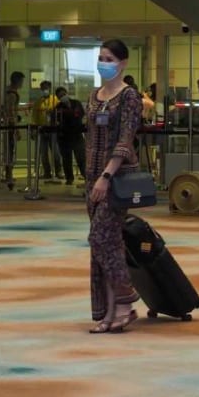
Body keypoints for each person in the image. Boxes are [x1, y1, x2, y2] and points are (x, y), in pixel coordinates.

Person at [84, 39, 142, 333]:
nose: (103, 62)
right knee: (106, 245)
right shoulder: (95, 96)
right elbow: (91, 137)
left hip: (115, 179)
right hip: (92, 178)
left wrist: (106, 176)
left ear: (122, 63)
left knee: (100, 237)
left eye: (108, 58)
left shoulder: (130, 97)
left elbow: (125, 140)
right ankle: (110, 312)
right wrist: (92, 176)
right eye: (100, 57)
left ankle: (125, 300)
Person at [55, 87, 86, 185]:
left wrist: (68, 113)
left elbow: (79, 114)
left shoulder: (76, 103)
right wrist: (70, 113)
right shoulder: (58, 107)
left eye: (64, 94)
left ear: (67, 93)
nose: (63, 97)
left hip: (77, 134)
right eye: (60, 96)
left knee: (81, 158)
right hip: (64, 136)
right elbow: (57, 118)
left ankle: (86, 176)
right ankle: (69, 178)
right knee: (66, 158)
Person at [32, 80, 63, 180]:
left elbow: (60, 114)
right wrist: (34, 130)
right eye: (43, 88)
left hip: (52, 129)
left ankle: (58, 171)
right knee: (43, 153)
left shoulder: (55, 100)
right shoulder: (37, 102)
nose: (45, 90)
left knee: (56, 152)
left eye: (46, 88)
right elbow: (34, 117)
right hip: (41, 130)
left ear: (49, 88)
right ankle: (47, 172)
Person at [3, 71, 25, 188]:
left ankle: (8, 174)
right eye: (21, 81)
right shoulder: (12, 94)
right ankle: (9, 175)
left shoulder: (6, 91)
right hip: (10, 126)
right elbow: (10, 111)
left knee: (8, 150)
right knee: (10, 150)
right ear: (17, 81)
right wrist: (16, 129)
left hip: (7, 125)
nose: (22, 83)